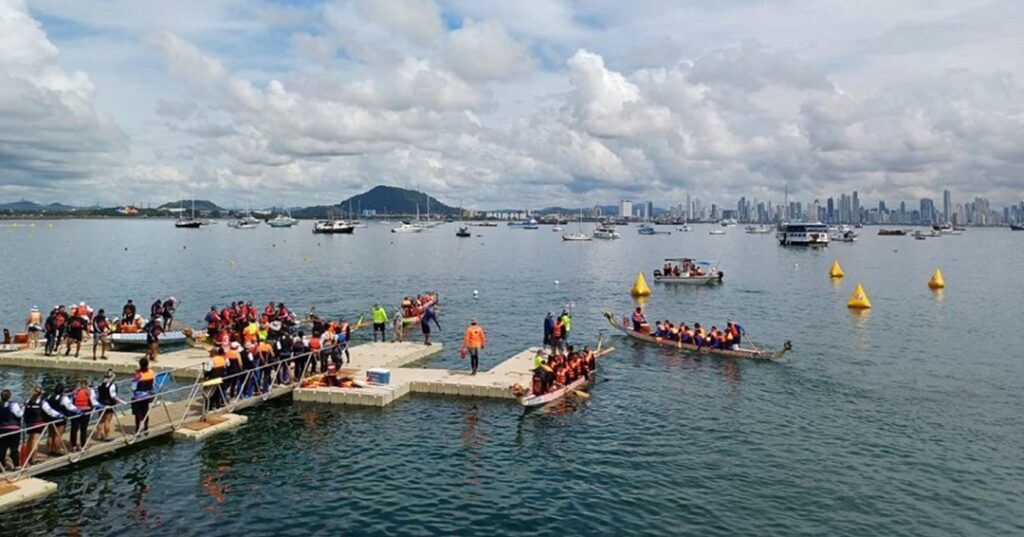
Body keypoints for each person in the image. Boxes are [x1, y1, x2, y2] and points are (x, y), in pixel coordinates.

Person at [69, 378, 99, 452]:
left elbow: (71, 401)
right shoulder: (88, 392)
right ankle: (83, 446)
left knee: (74, 429)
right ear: (86, 385)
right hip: (85, 411)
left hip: (75, 411)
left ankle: (73, 446)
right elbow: (93, 401)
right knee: (83, 429)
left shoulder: (75, 392)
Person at [22, 385, 49, 465]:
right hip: (38, 423)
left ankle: (28, 457)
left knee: (30, 440)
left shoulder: (28, 401)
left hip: (29, 423)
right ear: (41, 394)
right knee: (35, 441)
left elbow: (23, 412)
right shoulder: (43, 402)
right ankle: (33, 459)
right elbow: (50, 411)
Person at [95, 370, 124, 441]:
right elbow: (113, 396)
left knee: (100, 420)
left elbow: (98, 395)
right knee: (107, 421)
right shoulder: (112, 385)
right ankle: (106, 436)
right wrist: (121, 401)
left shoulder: (100, 384)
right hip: (108, 404)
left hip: (101, 404)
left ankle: (98, 435)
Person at [45, 383, 73, 455]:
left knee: (50, 435)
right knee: (58, 435)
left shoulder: (49, 396)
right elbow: (69, 406)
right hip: (60, 418)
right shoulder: (63, 397)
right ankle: (57, 450)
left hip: (50, 417)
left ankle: (50, 450)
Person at [0, 390, 23, 470]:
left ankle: (2, 466)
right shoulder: (13, 404)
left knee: (2, 448)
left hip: (2, 429)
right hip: (13, 429)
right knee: (14, 448)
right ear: (9, 396)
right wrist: (22, 409)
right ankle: (17, 465)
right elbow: (19, 414)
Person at [132, 358, 155, 435]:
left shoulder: (138, 375)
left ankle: (137, 430)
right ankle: (146, 428)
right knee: (145, 411)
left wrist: (136, 373)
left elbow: (133, 387)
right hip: (147, 395)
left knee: (137, 413)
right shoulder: (151, 372)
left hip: (138, 397)